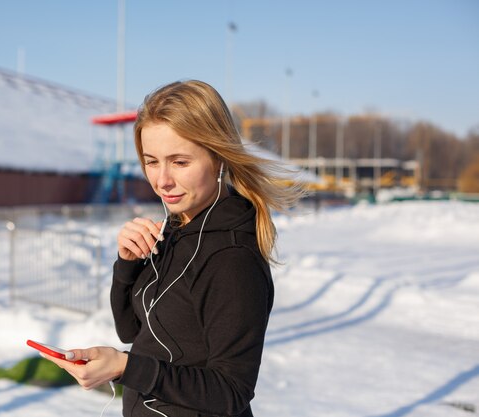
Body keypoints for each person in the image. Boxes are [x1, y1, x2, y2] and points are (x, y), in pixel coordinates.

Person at [40, 80, 303, 416]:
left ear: (219, 158)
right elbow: (134, 331)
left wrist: (124, 367)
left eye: (180, 162)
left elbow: (231, 392)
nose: (162, 180)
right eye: (152, 162)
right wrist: (128, 265)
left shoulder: (232, 259)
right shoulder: (178, 229)